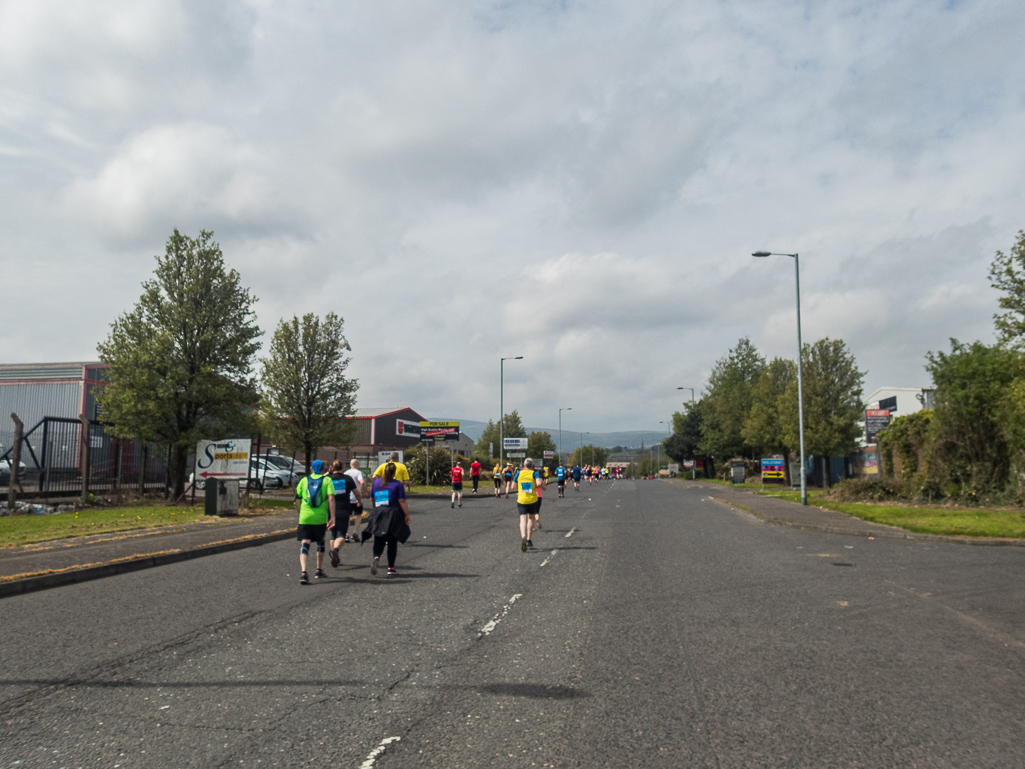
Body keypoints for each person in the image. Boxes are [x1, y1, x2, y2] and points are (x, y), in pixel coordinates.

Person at [362, 462, 411, 576]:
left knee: (378, 539)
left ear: (383, 471)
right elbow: (401, 501)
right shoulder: (398, 484)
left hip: (379, 513)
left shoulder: (376, 483)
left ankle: (376, 556)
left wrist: (375, 510)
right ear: (394, 473)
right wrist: (407, 514)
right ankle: (391, 568)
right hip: (393, 514)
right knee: (392, 541)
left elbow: (372, 499)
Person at [294, 459, 336, 585]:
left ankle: (303, 572)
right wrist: (332, 517)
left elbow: (297, 501)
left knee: (305, 543)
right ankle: (319, 569)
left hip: (305, 517)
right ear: (323, 469)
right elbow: (331, 498)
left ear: (311, 468)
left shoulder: (304, 480)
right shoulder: (327, 480)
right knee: (320, 541)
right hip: (320, 517)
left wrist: (300, 513)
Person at [327, 460, 359, 567]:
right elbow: (356, 492)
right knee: (341, 534)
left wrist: (328, 472)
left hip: (330, 510)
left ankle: (336, 557)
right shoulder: (347, 479)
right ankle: (335, 551)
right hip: (344, 508)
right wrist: (359, 501)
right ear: (342, 468)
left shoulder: (328, 479)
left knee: (333, 534)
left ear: (332, 468)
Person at [515, 458, 543, 551]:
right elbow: (539, 484)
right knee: (530, 518)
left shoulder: (519, 473)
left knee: (522, 519)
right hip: (532, 500)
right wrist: (534, 485)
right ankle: (529, 539)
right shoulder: (534, 473)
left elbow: (512, 486)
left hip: (521, 499)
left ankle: (523, 536)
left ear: (524, 465)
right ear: (532, 466)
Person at [344, 459, 365, 542]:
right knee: (358, 515)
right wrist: (365, 491)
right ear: (357, 465)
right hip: (356, 498)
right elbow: (362, 482)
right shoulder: (358, 472)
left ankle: (346, 534)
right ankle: (355, 533)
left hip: (347, 498)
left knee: (347, 516)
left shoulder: (345, 473)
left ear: (350, 464)